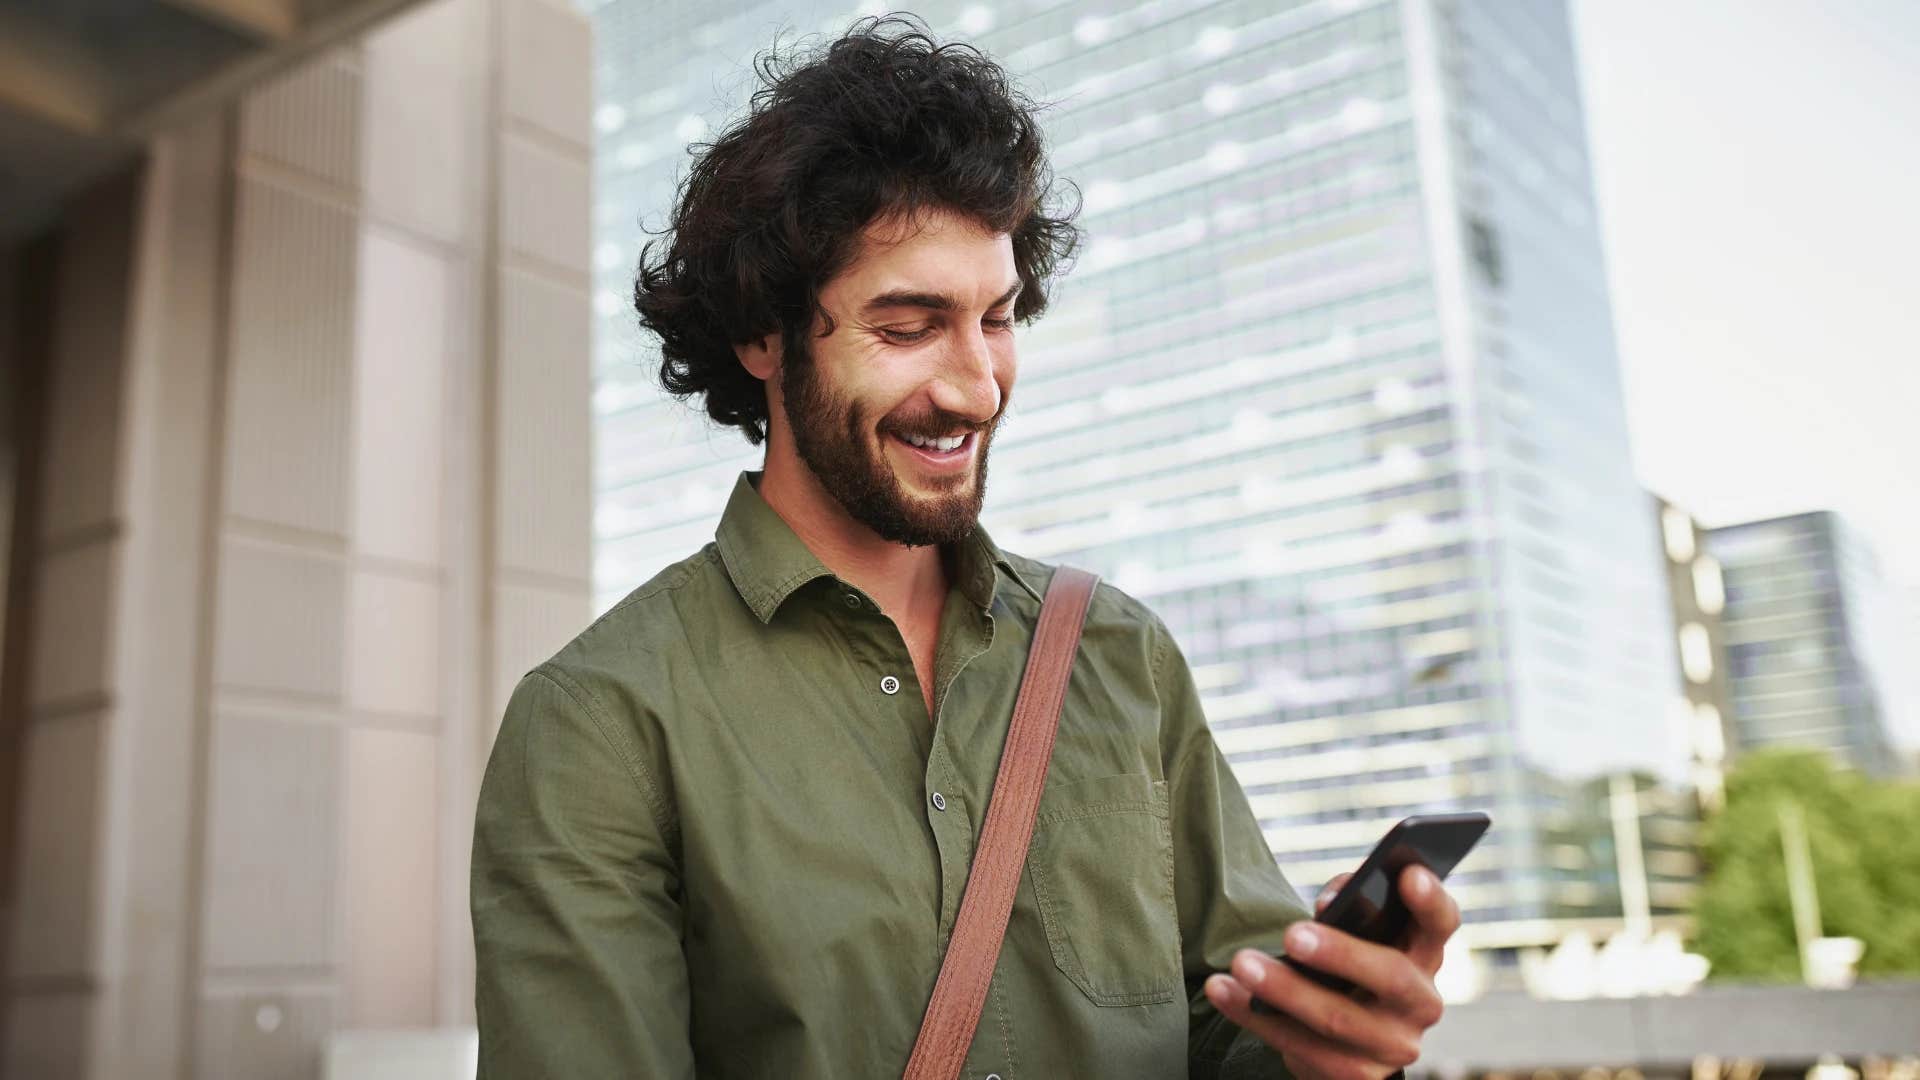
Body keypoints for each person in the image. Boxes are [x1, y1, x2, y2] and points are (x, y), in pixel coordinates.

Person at [470, 17, 1459, 1079]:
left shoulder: (1122, 658)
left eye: (996, 318)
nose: (976, 386)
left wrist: (1328, 1050)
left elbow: (1227, 1038)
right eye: (907, 327)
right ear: (763, 335)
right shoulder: (600, 722)